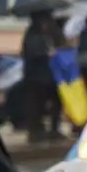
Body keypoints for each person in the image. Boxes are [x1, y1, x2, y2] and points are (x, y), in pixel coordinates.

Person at [21, 13, 57, 141]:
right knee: (35, 105)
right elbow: (33, 53)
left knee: (44, 104)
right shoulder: (32, 36)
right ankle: (35, 131)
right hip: (35, 78)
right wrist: (47, 54)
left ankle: (45, 129)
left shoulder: (44, 35)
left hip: (44, 76)